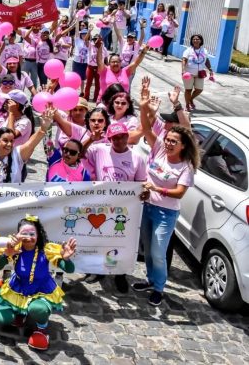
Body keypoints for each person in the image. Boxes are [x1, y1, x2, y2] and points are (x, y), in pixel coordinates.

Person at [135, 89, 198, 306]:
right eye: (168, 139)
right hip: (147, 207)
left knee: (158, 251)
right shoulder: (160, 149)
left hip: (166, 212)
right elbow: (145, 128)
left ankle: (159, 288)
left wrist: (156, 188)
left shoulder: (186, 166)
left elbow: (179, 192)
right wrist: (144, 106)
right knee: (147, 249)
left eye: (174, 141)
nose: (169, 143)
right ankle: (150, 280)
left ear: (183, 145)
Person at [81, 122, 148, 292]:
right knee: (99, 238)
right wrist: (90, 139)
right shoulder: (99, 149)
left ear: (128, 137)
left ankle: (120, 274)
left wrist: (144, 193)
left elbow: (141, 183)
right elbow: (79, 153)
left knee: (120, 242)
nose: (119, 141)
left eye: (122, 137)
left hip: (124, 208)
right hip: (101, 205)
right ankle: (97, 270)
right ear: (109, 139)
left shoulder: (137, 158)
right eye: (115, 138)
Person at [0, 215, 77, 351]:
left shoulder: (46, 250)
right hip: (18, 288)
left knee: (37, 309)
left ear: (38, 235)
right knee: (0, 319)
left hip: (41, 289)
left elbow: (70, 269)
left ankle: (41, 329)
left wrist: (66, 259)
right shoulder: (15, 248)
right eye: (24, 234)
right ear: (18, 235)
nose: (29, 237)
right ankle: (21, 314)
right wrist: (6, 254)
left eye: (32, 233)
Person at [0, 108, 54, 187]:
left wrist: (43, 129)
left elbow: (32, 143)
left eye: (11, 141)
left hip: (13, 202)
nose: (9, 144)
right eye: (5, 140)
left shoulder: (18, 154)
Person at [181, 34, 213, 111]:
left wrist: (210, 69)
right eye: (194, 39)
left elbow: (207, 61)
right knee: (188, 90)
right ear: (192, 41)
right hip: (189, 73)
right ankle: (187, 105)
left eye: (197, 39)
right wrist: (183, 70)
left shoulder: (204, 50)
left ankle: (190, 99)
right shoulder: (188, 50)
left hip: (200, 73)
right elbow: (184, 60)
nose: (195, 40)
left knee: (199, 89)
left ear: (201, 41)